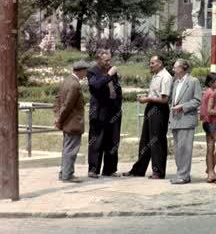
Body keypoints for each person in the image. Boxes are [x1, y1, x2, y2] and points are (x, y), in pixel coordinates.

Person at [124, 55, 172, 179]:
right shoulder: (155, 76)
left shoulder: (166, 77)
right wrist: (147, 98)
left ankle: (158, 171)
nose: (150, 65)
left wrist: (148, 98)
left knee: (157, 140)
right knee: (145, 140)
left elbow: (164, 99)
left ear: (160, 63)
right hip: (150, 107)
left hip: (159, 110)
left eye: (152, 63)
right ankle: (139, 169)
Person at [87, 50, 123, 178]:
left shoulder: (112, 72)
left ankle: (110, 169)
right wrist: (109, 74)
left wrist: (118, 105)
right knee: (97, 140)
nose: (109, 63)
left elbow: (117, 88)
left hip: (113, 111)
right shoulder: (92, 71)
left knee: (113, 140)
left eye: (110, 60)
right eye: (106, 60)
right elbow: (96, 85)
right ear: (98, 60)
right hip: (99, 112)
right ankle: (93, 169)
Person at [53, 60, 90, 182]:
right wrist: (59, 118)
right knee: (71, 149)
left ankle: (64, 172)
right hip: (73, 122)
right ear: (81, 71)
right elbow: (68, 105)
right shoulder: (75, 85)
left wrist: (58, 115)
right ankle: (67, 175)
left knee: (67, 148)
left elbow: (57, 99)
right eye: (85, 71)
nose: (85, 74)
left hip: (67, 122)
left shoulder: (66, 81)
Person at [169, 59, 202, 184]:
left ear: (183, 68)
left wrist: (183, 106)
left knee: (185, 149)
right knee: (178, 149)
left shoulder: (193, 81)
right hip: (176, 119)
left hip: (186, 119)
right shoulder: (176, 82)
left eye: (175, 67)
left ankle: (184, 175)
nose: (173, 69)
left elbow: (198, 100)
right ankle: (181, 174)